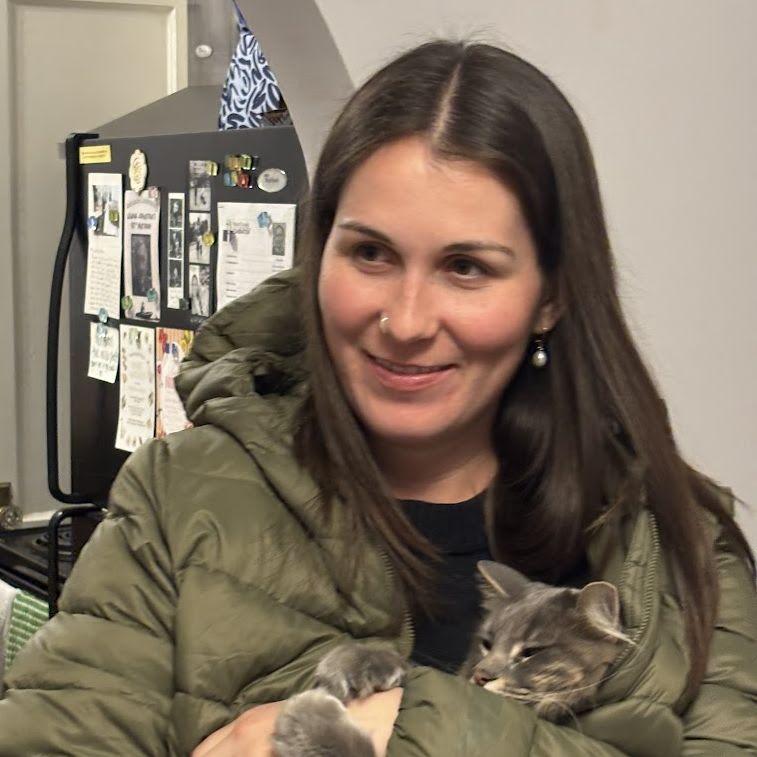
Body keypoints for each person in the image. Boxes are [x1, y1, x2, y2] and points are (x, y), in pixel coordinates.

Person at [0, 40, 755, 756]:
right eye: (370, 253)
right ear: (318, 253)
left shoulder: (673, 539)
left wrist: (407, 725)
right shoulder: (181, 497)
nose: (405, 321)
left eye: (466, 267)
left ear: (549, 297)